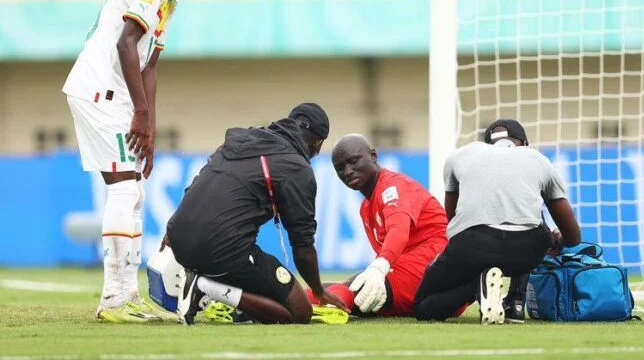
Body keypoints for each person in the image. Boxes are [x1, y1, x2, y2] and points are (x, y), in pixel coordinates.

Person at [61, 0, 231, 323]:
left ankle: (126, 296)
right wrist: (138, 111)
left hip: (117, 95)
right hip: (101, 90)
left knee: (134, 191)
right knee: (124, 188)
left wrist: (148, 126)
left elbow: (149, 66)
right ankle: (114, 300)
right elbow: (126, 44)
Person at [165, 103, 348, 325]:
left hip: (178, 236)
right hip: (220, 249)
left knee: (263, 287)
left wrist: (175, 227)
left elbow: (198, 183)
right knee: (299, 312)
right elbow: (302, 245)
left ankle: (228, 300)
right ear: (316, 143)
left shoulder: (242, 139)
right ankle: (204, 287)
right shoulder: (296, 168)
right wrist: (318, 290)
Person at [413, 119, 581, 324]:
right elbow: (573, 236)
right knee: (533, 217)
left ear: (486, 144)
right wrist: (556, 239)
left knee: (422, 305)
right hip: (526, 253)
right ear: (525, 144)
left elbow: (454, 220)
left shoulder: (460, 155)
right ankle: (516, 304)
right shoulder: (538, 159)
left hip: (473, 247)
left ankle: (476, 286)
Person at [308, 134, 464, 317]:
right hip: (421, 275)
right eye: (340, 168)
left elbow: (398, 231)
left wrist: (378, 267)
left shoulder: (392, 186)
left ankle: (304, 306)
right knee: (353, 285)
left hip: (436, 259)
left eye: (353, 161)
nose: (348, 171)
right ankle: (292, 300)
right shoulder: (366, 207)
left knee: (362, 291)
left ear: (373, 156)